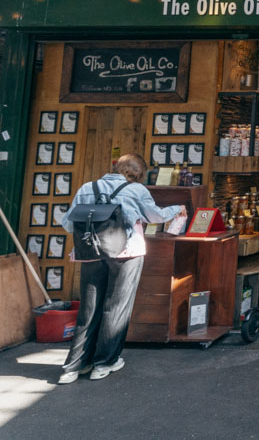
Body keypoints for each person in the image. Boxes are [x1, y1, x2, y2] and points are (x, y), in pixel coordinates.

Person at [58, 154, 186, 384]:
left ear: (116, 167)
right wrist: (177, 209)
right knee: (116, 307)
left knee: (89, 309)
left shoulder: (88, 187)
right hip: (126, 252)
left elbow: (68, 223)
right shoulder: (136, 190)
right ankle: (104, 362)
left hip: (90, 254)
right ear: (138, 174)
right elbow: (154, 216)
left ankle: (74, 366)